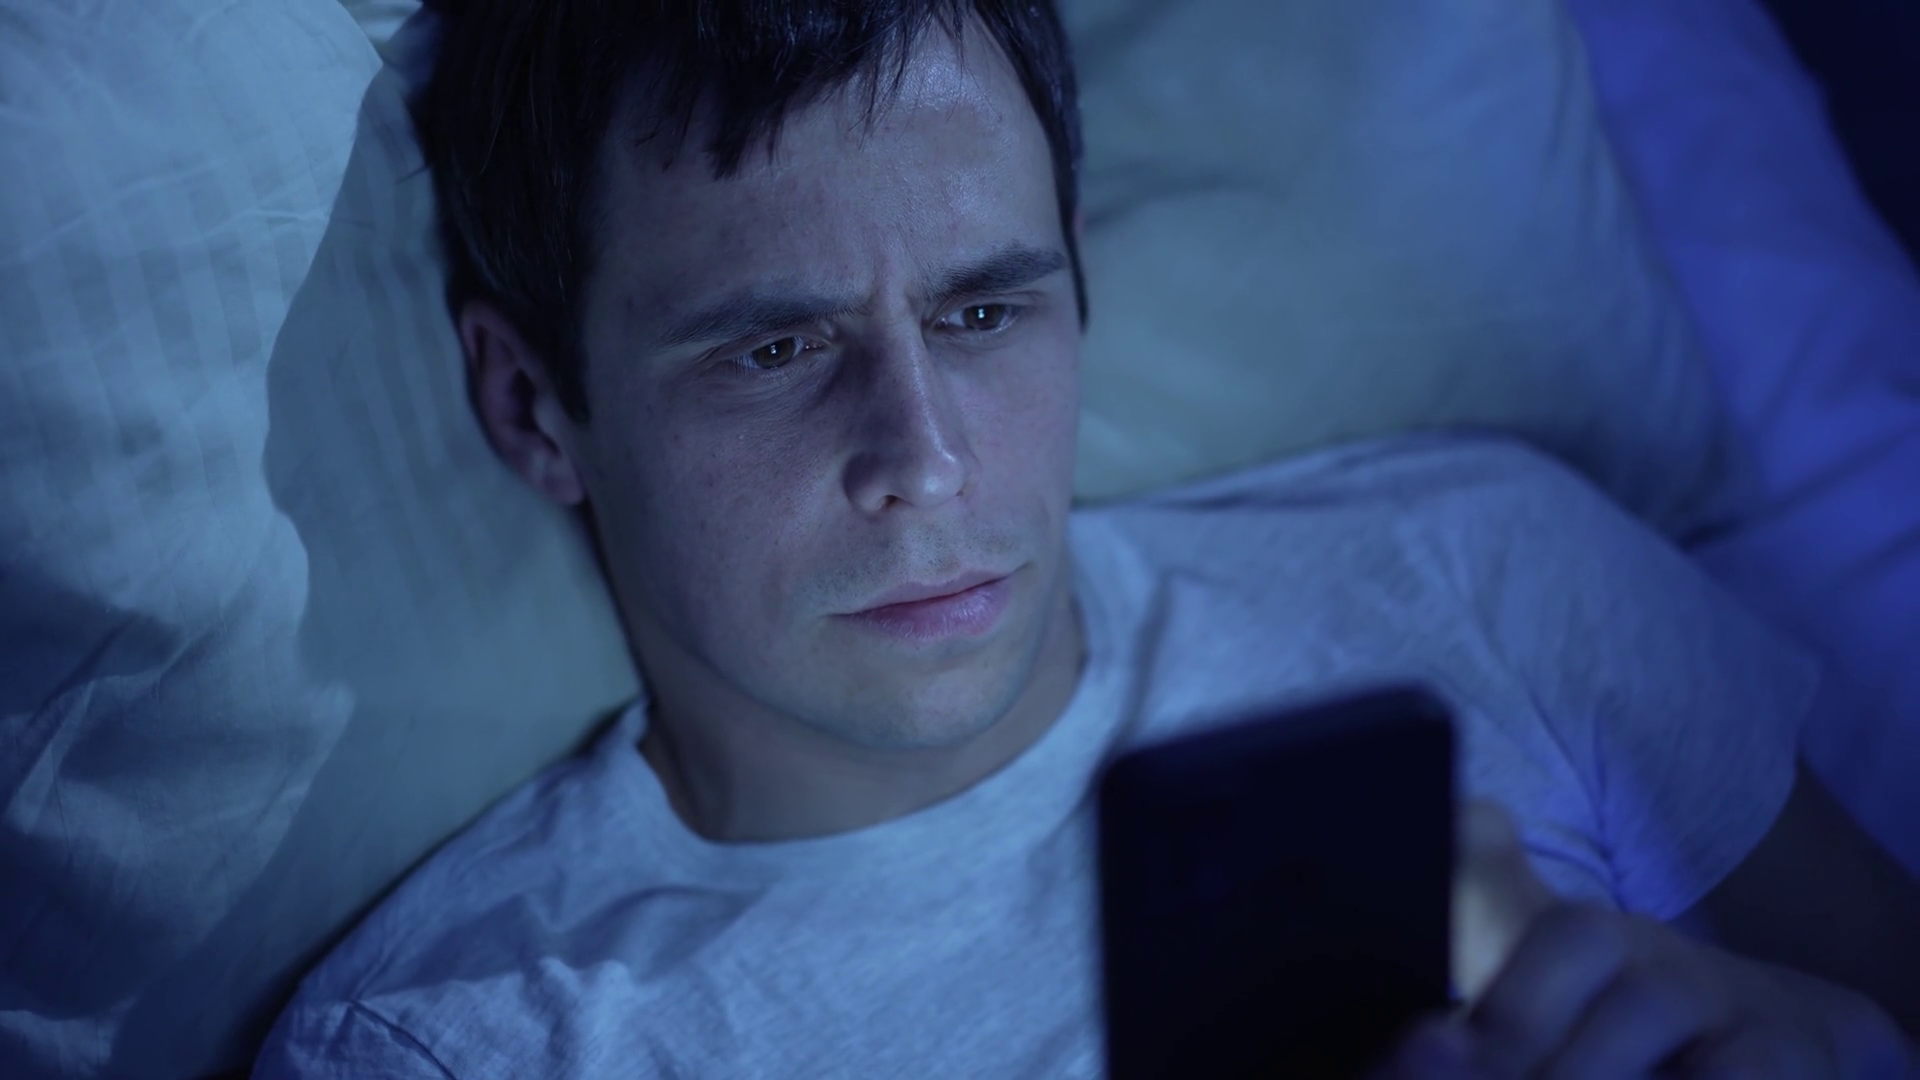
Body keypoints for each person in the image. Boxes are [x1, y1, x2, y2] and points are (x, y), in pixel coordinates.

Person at [254, 1, 1920, 1076]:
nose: (924, 460)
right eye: (774, 348)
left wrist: (1826, 1043)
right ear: (535, 405)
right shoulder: (457, 1044)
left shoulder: (1483, 571)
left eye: (984, 310)